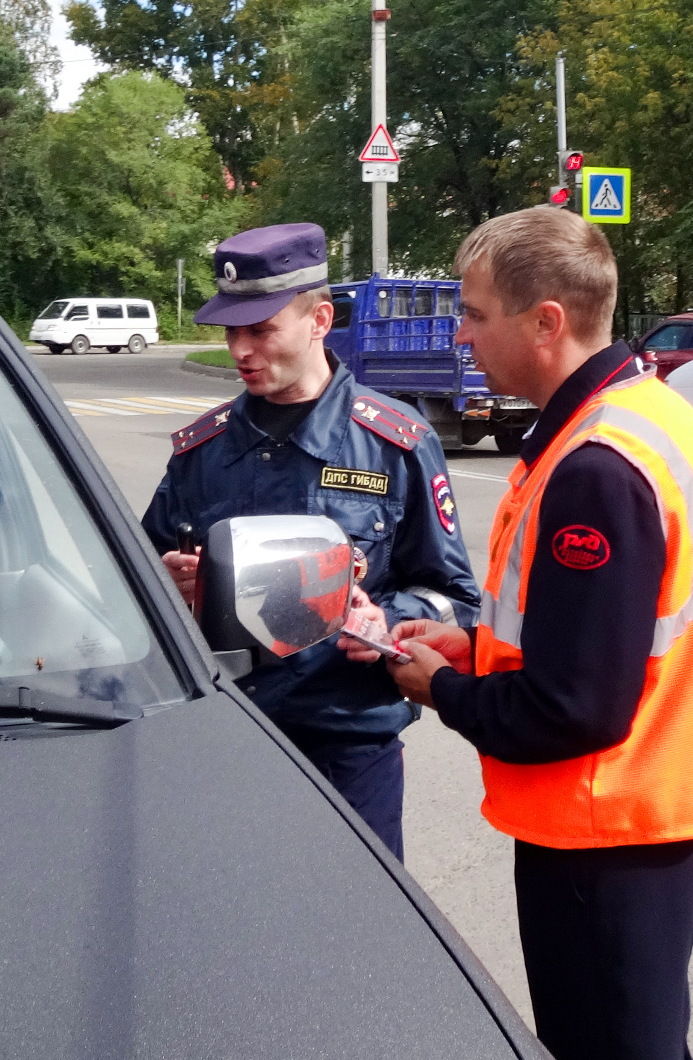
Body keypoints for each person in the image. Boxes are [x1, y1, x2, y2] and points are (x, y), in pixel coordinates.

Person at [361, 206, 693, 1060]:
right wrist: (476, 648)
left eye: (474, 314)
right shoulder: (650, 414)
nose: (461, 337)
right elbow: (597, 636)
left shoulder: (597, 467)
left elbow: (575, 707)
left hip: (602, 825)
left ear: (547, 322)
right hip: (653, 807)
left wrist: (443, 688)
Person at [143, 222, 480, 860]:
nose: (241, 349)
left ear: (320, 319)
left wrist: (385, 617)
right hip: (231, 738)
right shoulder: (202, 452)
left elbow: (454, 597)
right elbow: (134, 583)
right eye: (230, 330)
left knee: (359, 939)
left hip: (348, 746)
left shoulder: (396, 443)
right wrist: (172, 584)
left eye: (261, 329)